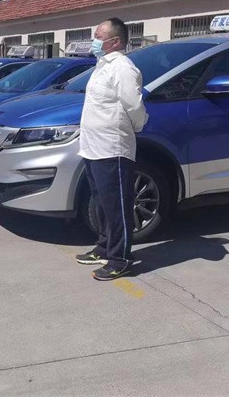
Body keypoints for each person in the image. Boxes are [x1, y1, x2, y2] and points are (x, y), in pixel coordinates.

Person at [75, 18, 147, 281]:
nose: (94, 40)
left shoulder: (123, 68)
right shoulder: (102, 65)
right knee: (102, 202)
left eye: (98, 36)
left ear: (115, 41)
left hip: (112, 148)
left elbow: (134, 106)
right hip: (92, 147)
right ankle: (104, 247)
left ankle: (120, 258)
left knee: (117, 206)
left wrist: (138, 126)